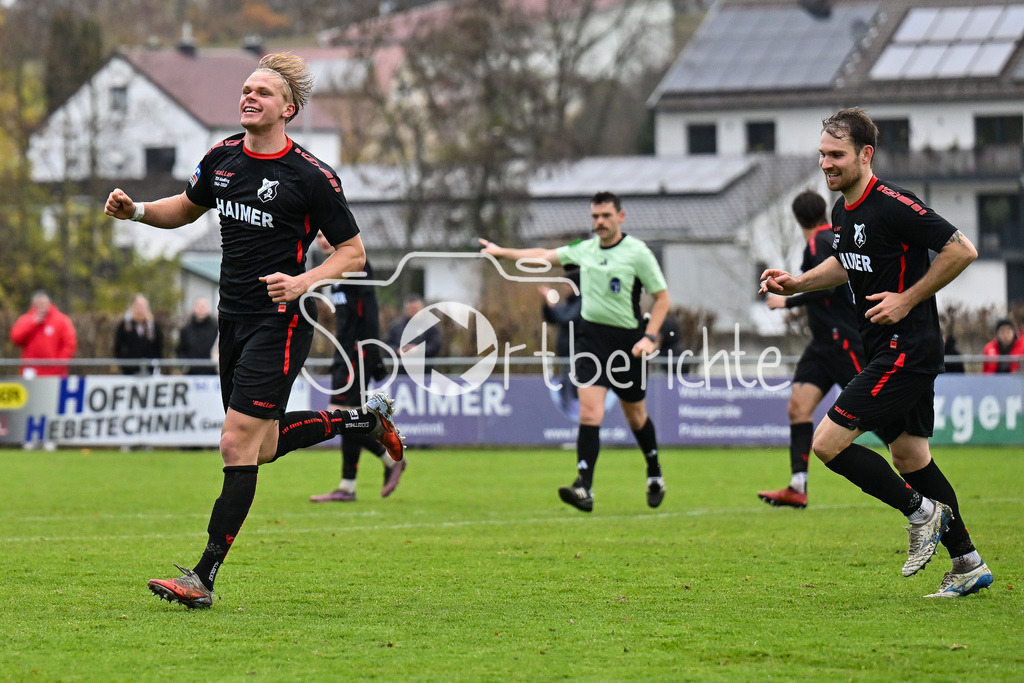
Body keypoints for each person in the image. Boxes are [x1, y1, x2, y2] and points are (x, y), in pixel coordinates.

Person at [104, 51, 405, 609]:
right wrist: (138, 211)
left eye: (263, 92)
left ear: (288, 109)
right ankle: (365, 418)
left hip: (282, 321)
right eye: (246, 89)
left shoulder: (313, 176)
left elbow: (353, 254)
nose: (249, 96)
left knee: (234, 442)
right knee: (260, 448)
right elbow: (187, 208)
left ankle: (203, 577)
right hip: (233, 318)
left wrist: (303, 282)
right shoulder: (221, 159)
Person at [760, 107, 992, 598]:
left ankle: (922, 513)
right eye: (822, 154)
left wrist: (907, 298)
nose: (826, 163)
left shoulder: (893, 203)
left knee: (827, 443)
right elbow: (847, 264)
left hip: (908, 349)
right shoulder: (843, 210)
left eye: (836, 155)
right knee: (910, 457)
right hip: (882, 348)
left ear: (866, 154)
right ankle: (968, 562)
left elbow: (961, 249)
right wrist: (797, 282)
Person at [480, 191, 671, 512]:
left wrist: (649, 338)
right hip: (590, 341)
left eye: (606, 216)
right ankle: (584, 485)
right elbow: (543, 256)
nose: (600, 222)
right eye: (595, 216)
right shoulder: (584, 250)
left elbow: (663, 299)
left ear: (620, 217)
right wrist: (503, 253)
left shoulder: (637, 253)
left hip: (628, 344)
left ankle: (654, 473)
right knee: (589, 413)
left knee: (635, 416)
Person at [757, 190, 865, 509]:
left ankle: (915, 472)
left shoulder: (821, 241)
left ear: (796, 219)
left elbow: (828, 285)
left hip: (842, 340)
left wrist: (787, 300)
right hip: (822, 345)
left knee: (876, 411)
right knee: (798, 408)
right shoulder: (824, 239)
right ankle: (797, 485)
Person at [309, 232, 407, 502]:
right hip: (345, 353)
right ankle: (347, 486)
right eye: (317, 235)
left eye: (326, 233)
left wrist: (371, 354)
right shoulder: (337, 268)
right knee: (348, 417)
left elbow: (369, 311)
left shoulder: (357, 264)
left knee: (338, 418)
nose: (322, 239)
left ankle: (390, 458)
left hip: (356, 353)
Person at [538, 266, 582, 418]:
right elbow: (553, 317)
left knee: (576, 390)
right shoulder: (570, 303)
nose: (564, 288)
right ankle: (570, 419)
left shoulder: (582, 304)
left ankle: (576, 421)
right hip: (566, 356)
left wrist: (552, 305)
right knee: (567, 389)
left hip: (578, 357)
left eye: (567, 285)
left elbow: (565, 317)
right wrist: (548, 305)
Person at [9, 290, 77, 378]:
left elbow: (69, 345)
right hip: (30, 372)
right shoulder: (26, 319)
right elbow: (16, 338)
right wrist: (32, 323)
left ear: (49, 304)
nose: (41, 307)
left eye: (43, 304)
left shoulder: (62, 320)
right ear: (33, 305)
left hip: (54, 373)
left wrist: (59, 365)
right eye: (38, 304)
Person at [384, 293, 442, 370]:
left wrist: (419, 350)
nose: (413, 311)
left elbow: (436, 345)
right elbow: (387, 345)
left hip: (425, 371)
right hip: (400, 371)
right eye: (411, 309)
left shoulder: (430, 326)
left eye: (416, 308)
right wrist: (397, 350)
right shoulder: (396, 326)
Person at [114, 293, 163, 375]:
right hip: (130, 369)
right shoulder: (125, 325)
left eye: (143, 305)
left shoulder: (152, 325)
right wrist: (124, 364)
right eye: (138, 305)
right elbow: (118, 346)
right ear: (133, 306)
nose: (141, 308)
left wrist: (155, 363)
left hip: (150, 368)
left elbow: (159, 346)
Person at [176, 296, 219, 375]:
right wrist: (185, 366)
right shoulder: (186, 329)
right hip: (191, 373)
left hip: (212, 373)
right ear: (194, 308)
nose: (201, 309)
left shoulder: (216, 328)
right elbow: (181, 349)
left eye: (203, 306)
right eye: (199, 306)